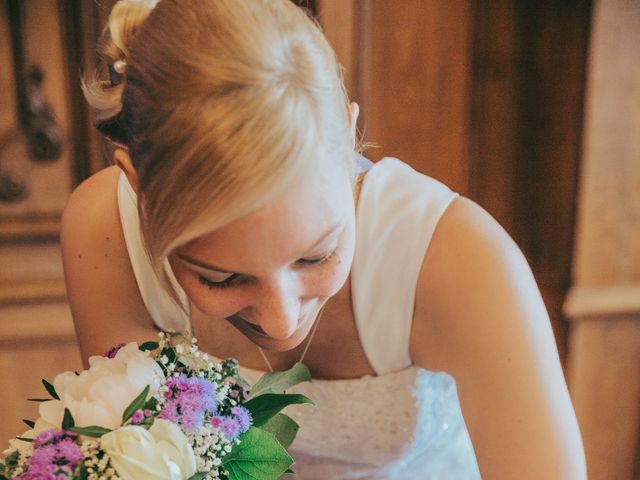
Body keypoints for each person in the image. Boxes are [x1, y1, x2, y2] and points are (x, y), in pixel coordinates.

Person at [60, 0, 586, 478]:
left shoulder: (461, 258)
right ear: (136, 184)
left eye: (317, 255)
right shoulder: (103, 233)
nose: (281, 320)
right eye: (222, 277)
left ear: (348, 136)